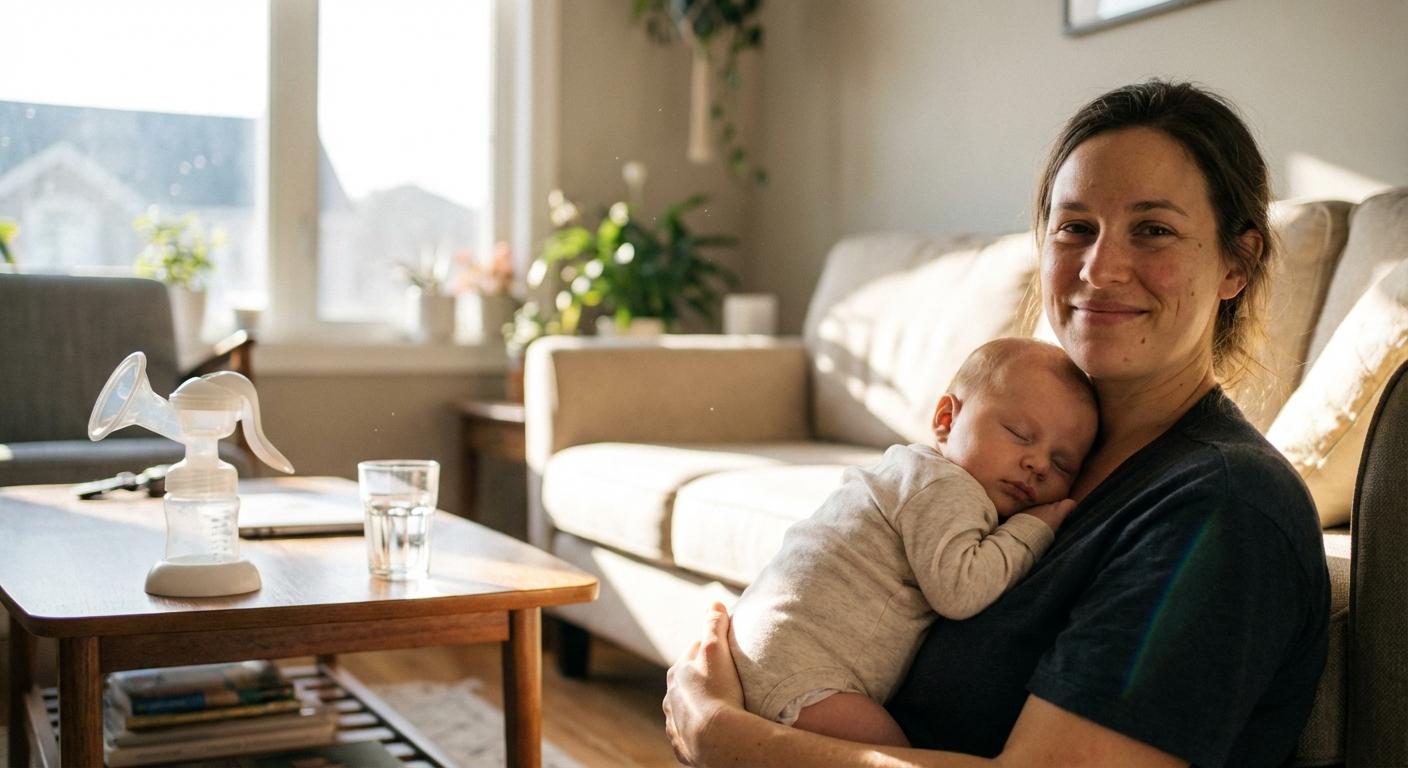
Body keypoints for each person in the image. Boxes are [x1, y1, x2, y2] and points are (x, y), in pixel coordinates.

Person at [663, 79, 1331, 767]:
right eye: (1075, 228)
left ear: (1237, 264)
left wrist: (724, 736)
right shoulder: (1038, 462)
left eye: (1153, 230)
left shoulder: (1223, 510)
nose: (1099, 269)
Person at [731, 337, 1098, 748]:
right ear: (946, 419)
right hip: (808, 677)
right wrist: (1032, 528)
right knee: (895, 754)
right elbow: (961, 589)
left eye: (1062, 463)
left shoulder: (909, 472)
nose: (1038, 464)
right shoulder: (947, 485)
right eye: (1019, 433)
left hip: (767, 649)